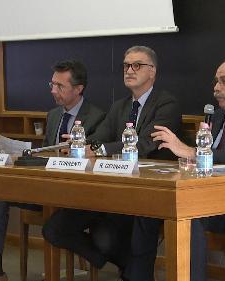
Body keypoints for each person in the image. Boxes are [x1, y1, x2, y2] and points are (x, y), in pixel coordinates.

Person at [123, 55, 225, 281]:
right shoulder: (215, 117)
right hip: (202, 193)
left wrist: (190, 152)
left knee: (190, 214)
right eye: (215, 81)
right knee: (149, 208)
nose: (216, 88)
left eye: (224, 81)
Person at [0, 59, 106, 281]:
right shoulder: (53, 115)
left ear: (78, 89)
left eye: (60, 86)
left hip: (73, 192)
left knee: (0, 193)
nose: (53, 90)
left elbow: (95, 158)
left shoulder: (97, 116)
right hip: (43, 187)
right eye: (51, 84)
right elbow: (44, 153)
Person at [42, 46, 182, 281]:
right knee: (55, 229)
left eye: (136, 65)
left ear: (152, 72)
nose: (129, 70)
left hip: (150, 192)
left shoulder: (167, 103)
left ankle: (133, 271)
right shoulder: (120, 106)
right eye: (126, 65)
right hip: (112, 189)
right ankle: (125, 262)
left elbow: (147, 144)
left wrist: (99, 149)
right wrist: (81, 144)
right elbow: (100, 137)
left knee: (108, 236)